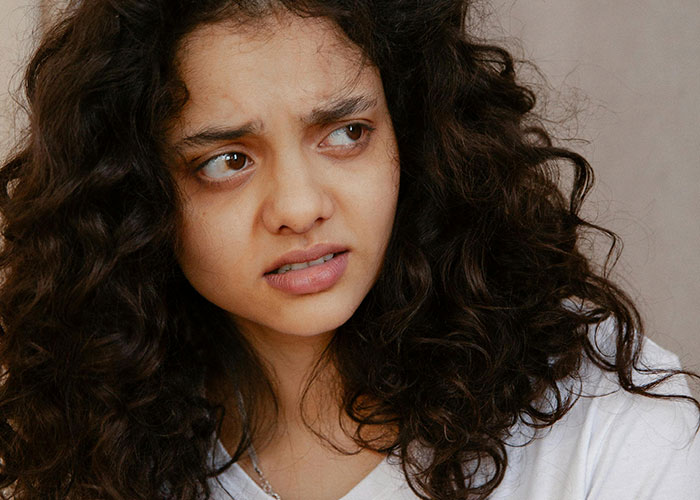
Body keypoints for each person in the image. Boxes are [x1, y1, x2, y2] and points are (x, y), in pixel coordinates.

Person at [0, 0, 698, 499]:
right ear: (137, 196)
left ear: (413, 139)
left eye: (345, 133)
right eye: (227, 161)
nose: (300, 207)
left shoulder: (602, 421)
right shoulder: (95, 443)